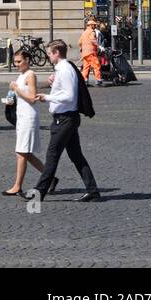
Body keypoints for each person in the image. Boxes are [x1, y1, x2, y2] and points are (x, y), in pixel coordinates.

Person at [27, 39, 100, 203]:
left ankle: (39, 193)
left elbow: (69, 96)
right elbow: (65, 91)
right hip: (66, 118)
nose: (48, 56)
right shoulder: (62, 69)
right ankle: (93, 190)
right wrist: (54, 84)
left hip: (65, 119)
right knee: (76, 156)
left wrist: (47, 97)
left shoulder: (65, 70)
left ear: (56, 53)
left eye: (49, 53)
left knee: (52, 155)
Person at [3, 47, 46, 196]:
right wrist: (11, 98)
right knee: (25, 153)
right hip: (21, 116)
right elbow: (22, 97)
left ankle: (17, 186)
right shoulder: (21, 75)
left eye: (19, 61)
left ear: (27, 60)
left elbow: (32, 98)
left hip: (28, 117)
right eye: (15, 61)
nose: (17, 64)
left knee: (21, 152)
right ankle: (50, 178)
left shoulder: (30, 75)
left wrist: (16, 89)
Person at [79, 19, 103, 86]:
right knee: (96, 65)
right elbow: (93, 39)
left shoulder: (84, 32)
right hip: (91, 52)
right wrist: (99, 46)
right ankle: (98, 79)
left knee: (86, 67)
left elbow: (80, 42)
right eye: (94, 25)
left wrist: (82, 48)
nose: (95, 26)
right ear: (91, 25)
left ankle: (84, 79)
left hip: (85, 53)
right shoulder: (91, 32)